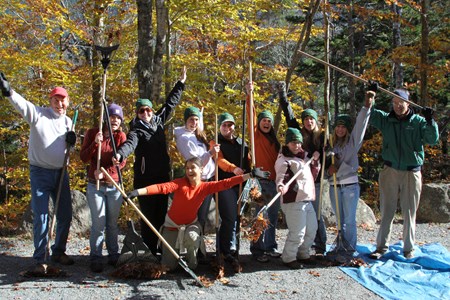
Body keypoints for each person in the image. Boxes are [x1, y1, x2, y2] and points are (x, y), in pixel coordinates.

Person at [126, 157, 265, 271]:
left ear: (201, 169)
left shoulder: (205, 187)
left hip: (191, 224)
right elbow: (161, 187)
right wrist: (137, 192)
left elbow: (226, 183)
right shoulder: (180, 183)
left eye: (193, 167)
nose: (190, 171)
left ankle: (192, 262)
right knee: (168, 267)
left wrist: (249, 175)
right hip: (172, 225)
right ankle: (173, 258)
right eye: (187, 168)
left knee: (192, 238)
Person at [1, 72, 76, 272]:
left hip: (61, 173)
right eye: (55, 100)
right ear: (50, 101)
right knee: (42, 215)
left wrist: (72, 142)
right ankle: (40, 258)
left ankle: (58, 251)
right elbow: (22, 104)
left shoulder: (69, 122)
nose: (59, 104)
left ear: (68, 102)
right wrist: (8, 91)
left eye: (62, 100)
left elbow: (69, 150)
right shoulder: (39, 114)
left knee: (65, 214)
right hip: (40, 172)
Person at [113, 67, 186, 256]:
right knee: (147, 217)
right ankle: (149, 251)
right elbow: (130, 144)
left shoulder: (159, 121)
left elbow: (171, 103)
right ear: (137, 114)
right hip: (145, 180)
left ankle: (161, 249)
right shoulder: (136, 130)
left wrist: (181, 83)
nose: (145, 113)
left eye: (147, 109)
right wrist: (121, 155)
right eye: (141, 111)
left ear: (152, 110)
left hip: (163, 177)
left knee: (162, 214)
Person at [368, 89, 439, 259]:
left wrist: (431, 121)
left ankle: (408, 248)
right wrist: (371, 94)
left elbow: (432, 139)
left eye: (401, 103)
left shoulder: (418, 122)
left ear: (408, 103)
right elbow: (369, 113)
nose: (398, 106)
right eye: (395, 102)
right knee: (387, 211)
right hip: (390, 170)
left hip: (411, 171)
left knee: (409, 212)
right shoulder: (386, 120)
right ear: (392, 103)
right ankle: (381, 247)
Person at [277, 82, 327, 256]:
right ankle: (296, 252)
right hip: (300, 185)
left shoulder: (323, 137)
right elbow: (289, 115)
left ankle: (319, 245)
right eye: (305, 119)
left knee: (315, 217)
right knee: (303, 220)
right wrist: (283, 96)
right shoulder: (298, 137)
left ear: (316, 120)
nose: (308, 121)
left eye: (311, 119)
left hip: (317, 181)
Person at [80, 104, 127, 272]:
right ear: (105, 118)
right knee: (98, 223)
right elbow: (84, 157)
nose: (114, 120)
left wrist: (106, 173)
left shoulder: (120, 136)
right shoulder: (93, 133)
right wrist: (94, 143)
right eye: (111, 116)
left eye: (118, 117)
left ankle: (113, 254)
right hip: (95, 186)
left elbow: (122, 163)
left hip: (114, 186)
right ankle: (96, 256)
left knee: (112, 223)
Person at [326, 90, 374, 253]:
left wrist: (367, 105)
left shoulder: (353, 143)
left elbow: (360, 125)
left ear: (347, 129)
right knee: (339, 220)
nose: (340, 129)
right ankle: (341, 245)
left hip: (349, 186)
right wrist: (328, 168)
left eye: (343, 127)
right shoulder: (331, 143)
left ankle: (349, 248)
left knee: (349, 220)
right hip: (334, 187)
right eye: (338, 126)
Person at [246, 81, 281, 262]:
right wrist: (249, 95)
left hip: (274, 184)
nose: (266, 123)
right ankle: (257, 249)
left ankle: (270, 246)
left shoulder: (275, 142)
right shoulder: (256, 136)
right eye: (263, 120)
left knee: (272, 217)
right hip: (259, 183)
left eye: (269, 121)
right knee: (259, 216)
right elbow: (250, 117)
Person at [275, 128, 320, 269]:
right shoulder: (283, 160)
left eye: (299, 143)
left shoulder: (304, 158)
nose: (296, 146)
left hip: (306, 199)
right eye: (293, 143)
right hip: (293, 200)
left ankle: (303, 253)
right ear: (287, 143)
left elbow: (312, 176)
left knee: (312, 229)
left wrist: (315, 162)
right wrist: (281, 186)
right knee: (298, 232)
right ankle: (288, 257)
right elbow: (281, 177)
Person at [209, 112, 250, 265]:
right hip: (224, 184)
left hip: (241, 184)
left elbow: (249, 160)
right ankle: (224, 249)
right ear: (219, 126)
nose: (227, 127)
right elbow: (219, 161)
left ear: (234, 126)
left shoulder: (242, 142)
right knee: (229, 216)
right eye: (224, 125)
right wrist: (234, 169)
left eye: (230, 124)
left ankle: (230, 247)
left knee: (236, 216)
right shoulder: (215, 142)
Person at [174, 106, 220, 235]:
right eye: (191, 120)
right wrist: (211, 153)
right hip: (198, 181)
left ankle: (199, 246)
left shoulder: (196, 134)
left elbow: (200, 126)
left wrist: (201, 115)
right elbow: (196, 163)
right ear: (185, 121)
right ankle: (194, 248)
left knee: (203, 216)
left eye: (196, 120)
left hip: (209, 178)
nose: (194, 123)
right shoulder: (184, 139)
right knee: (198, 217)